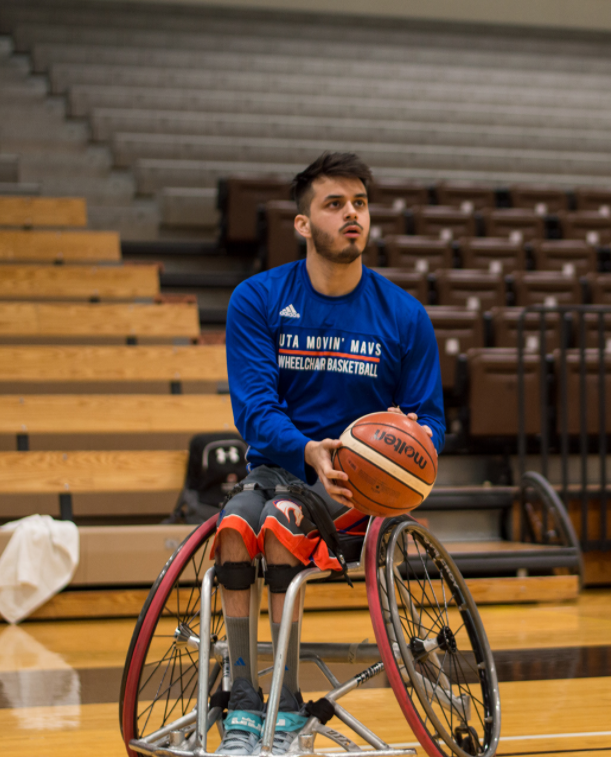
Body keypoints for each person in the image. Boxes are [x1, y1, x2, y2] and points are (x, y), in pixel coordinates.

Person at [213, 152, 445, 755]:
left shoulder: (404, 316)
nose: (351, 215)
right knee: (237, 524)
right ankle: (243, 704)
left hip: (358, 490)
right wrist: (309, 450)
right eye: (335, 204)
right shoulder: (257, 299)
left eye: (360, 204)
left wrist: (413, 445)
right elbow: (255, 410)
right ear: (302, 223)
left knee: (281, 524)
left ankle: (285, 711)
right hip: (278, 467)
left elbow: (432, 421)